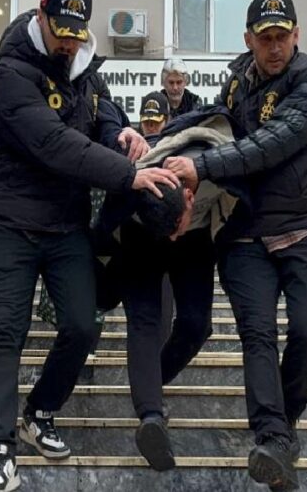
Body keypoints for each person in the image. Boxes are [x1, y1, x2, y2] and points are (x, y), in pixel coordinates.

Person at [0, 0, 179, 491]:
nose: (68, 43)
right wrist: (128, 174)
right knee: (4, 331)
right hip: (9, 220)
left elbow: (101, 119)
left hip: (64, 223)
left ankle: (39, 411)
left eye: (76, 33)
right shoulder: (9, 74)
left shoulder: (85, 70)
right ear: (40, 16)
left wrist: (122, 133)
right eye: (60, 31)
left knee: (84, 326)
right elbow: (53, 143)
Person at [165, 0, 307, 490]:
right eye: (265, 38)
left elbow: (273, 142)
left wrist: (201, 167)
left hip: (304, 225)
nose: (275, 46)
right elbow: (210, 128)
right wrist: (161, 150)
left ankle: (285, 421)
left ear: (297, 35)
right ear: (249, 39)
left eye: (283, 36)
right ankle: (271, 437)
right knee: (257, 334)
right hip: (243, 233)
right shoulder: (237, 82)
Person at [94, 108, 246, 471]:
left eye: (174, 229)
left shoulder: (218, 169)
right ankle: (150, 416)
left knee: (196, 324)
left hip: (197, 237)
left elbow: (248, 197)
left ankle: (151, 381)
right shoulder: (131, 190)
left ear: (191, 198)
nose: (171, 238)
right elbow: (102, 225)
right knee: (145, 319)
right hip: (140, 234)